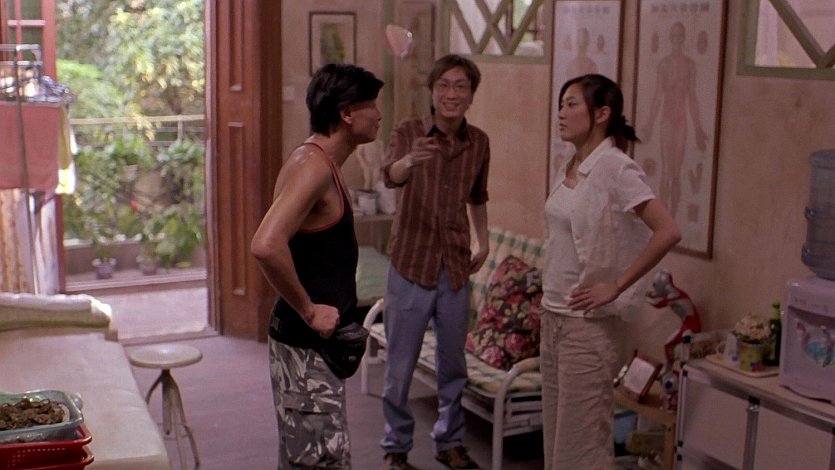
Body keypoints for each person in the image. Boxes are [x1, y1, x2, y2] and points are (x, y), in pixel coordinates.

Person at [541, 74, 681, 470]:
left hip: (588, 326)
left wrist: (616, 286)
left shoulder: (616, 167)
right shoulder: (571, 164)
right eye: (561, 104)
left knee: (581, 448)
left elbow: (668, 231)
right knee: (556, 445)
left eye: (571, 104)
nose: (561, 113)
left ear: (602, 114)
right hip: (553, 317)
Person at [250, 63, 383, 469]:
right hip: (306, 349)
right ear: (347, 113)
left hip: (314, 351)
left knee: (308, 459)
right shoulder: (313, 167)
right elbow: (265, 245)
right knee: (319, 462)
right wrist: (309, 310)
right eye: (372, 105)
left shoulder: (321, 162)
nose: (379, 114)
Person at [378, 54, 490, 470]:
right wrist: (410, 161)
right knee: (400, 365)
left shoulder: (479, 142)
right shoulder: (409, 132)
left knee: (453, 364)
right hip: (411, 263)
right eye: (444, 85)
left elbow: (478, 196)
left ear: (471, 95)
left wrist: (483, 242)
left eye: (460, 86)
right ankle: (396, 448)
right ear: (432, 92)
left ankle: (449, 442)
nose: (451, 94)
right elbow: (390, 175)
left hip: (455, 266)